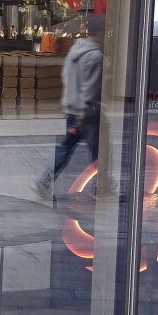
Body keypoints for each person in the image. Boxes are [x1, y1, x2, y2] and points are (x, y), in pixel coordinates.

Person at [34, 17, 104, 201]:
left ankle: (44, 180)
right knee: (99, 151)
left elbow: (66, 76)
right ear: (101, 33)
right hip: (87, 112)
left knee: (66, 147)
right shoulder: (95, 56)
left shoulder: (75, 49)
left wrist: (70, 103)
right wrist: (83, 110)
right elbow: (90, 86)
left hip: (72, 108)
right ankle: (101, 188)